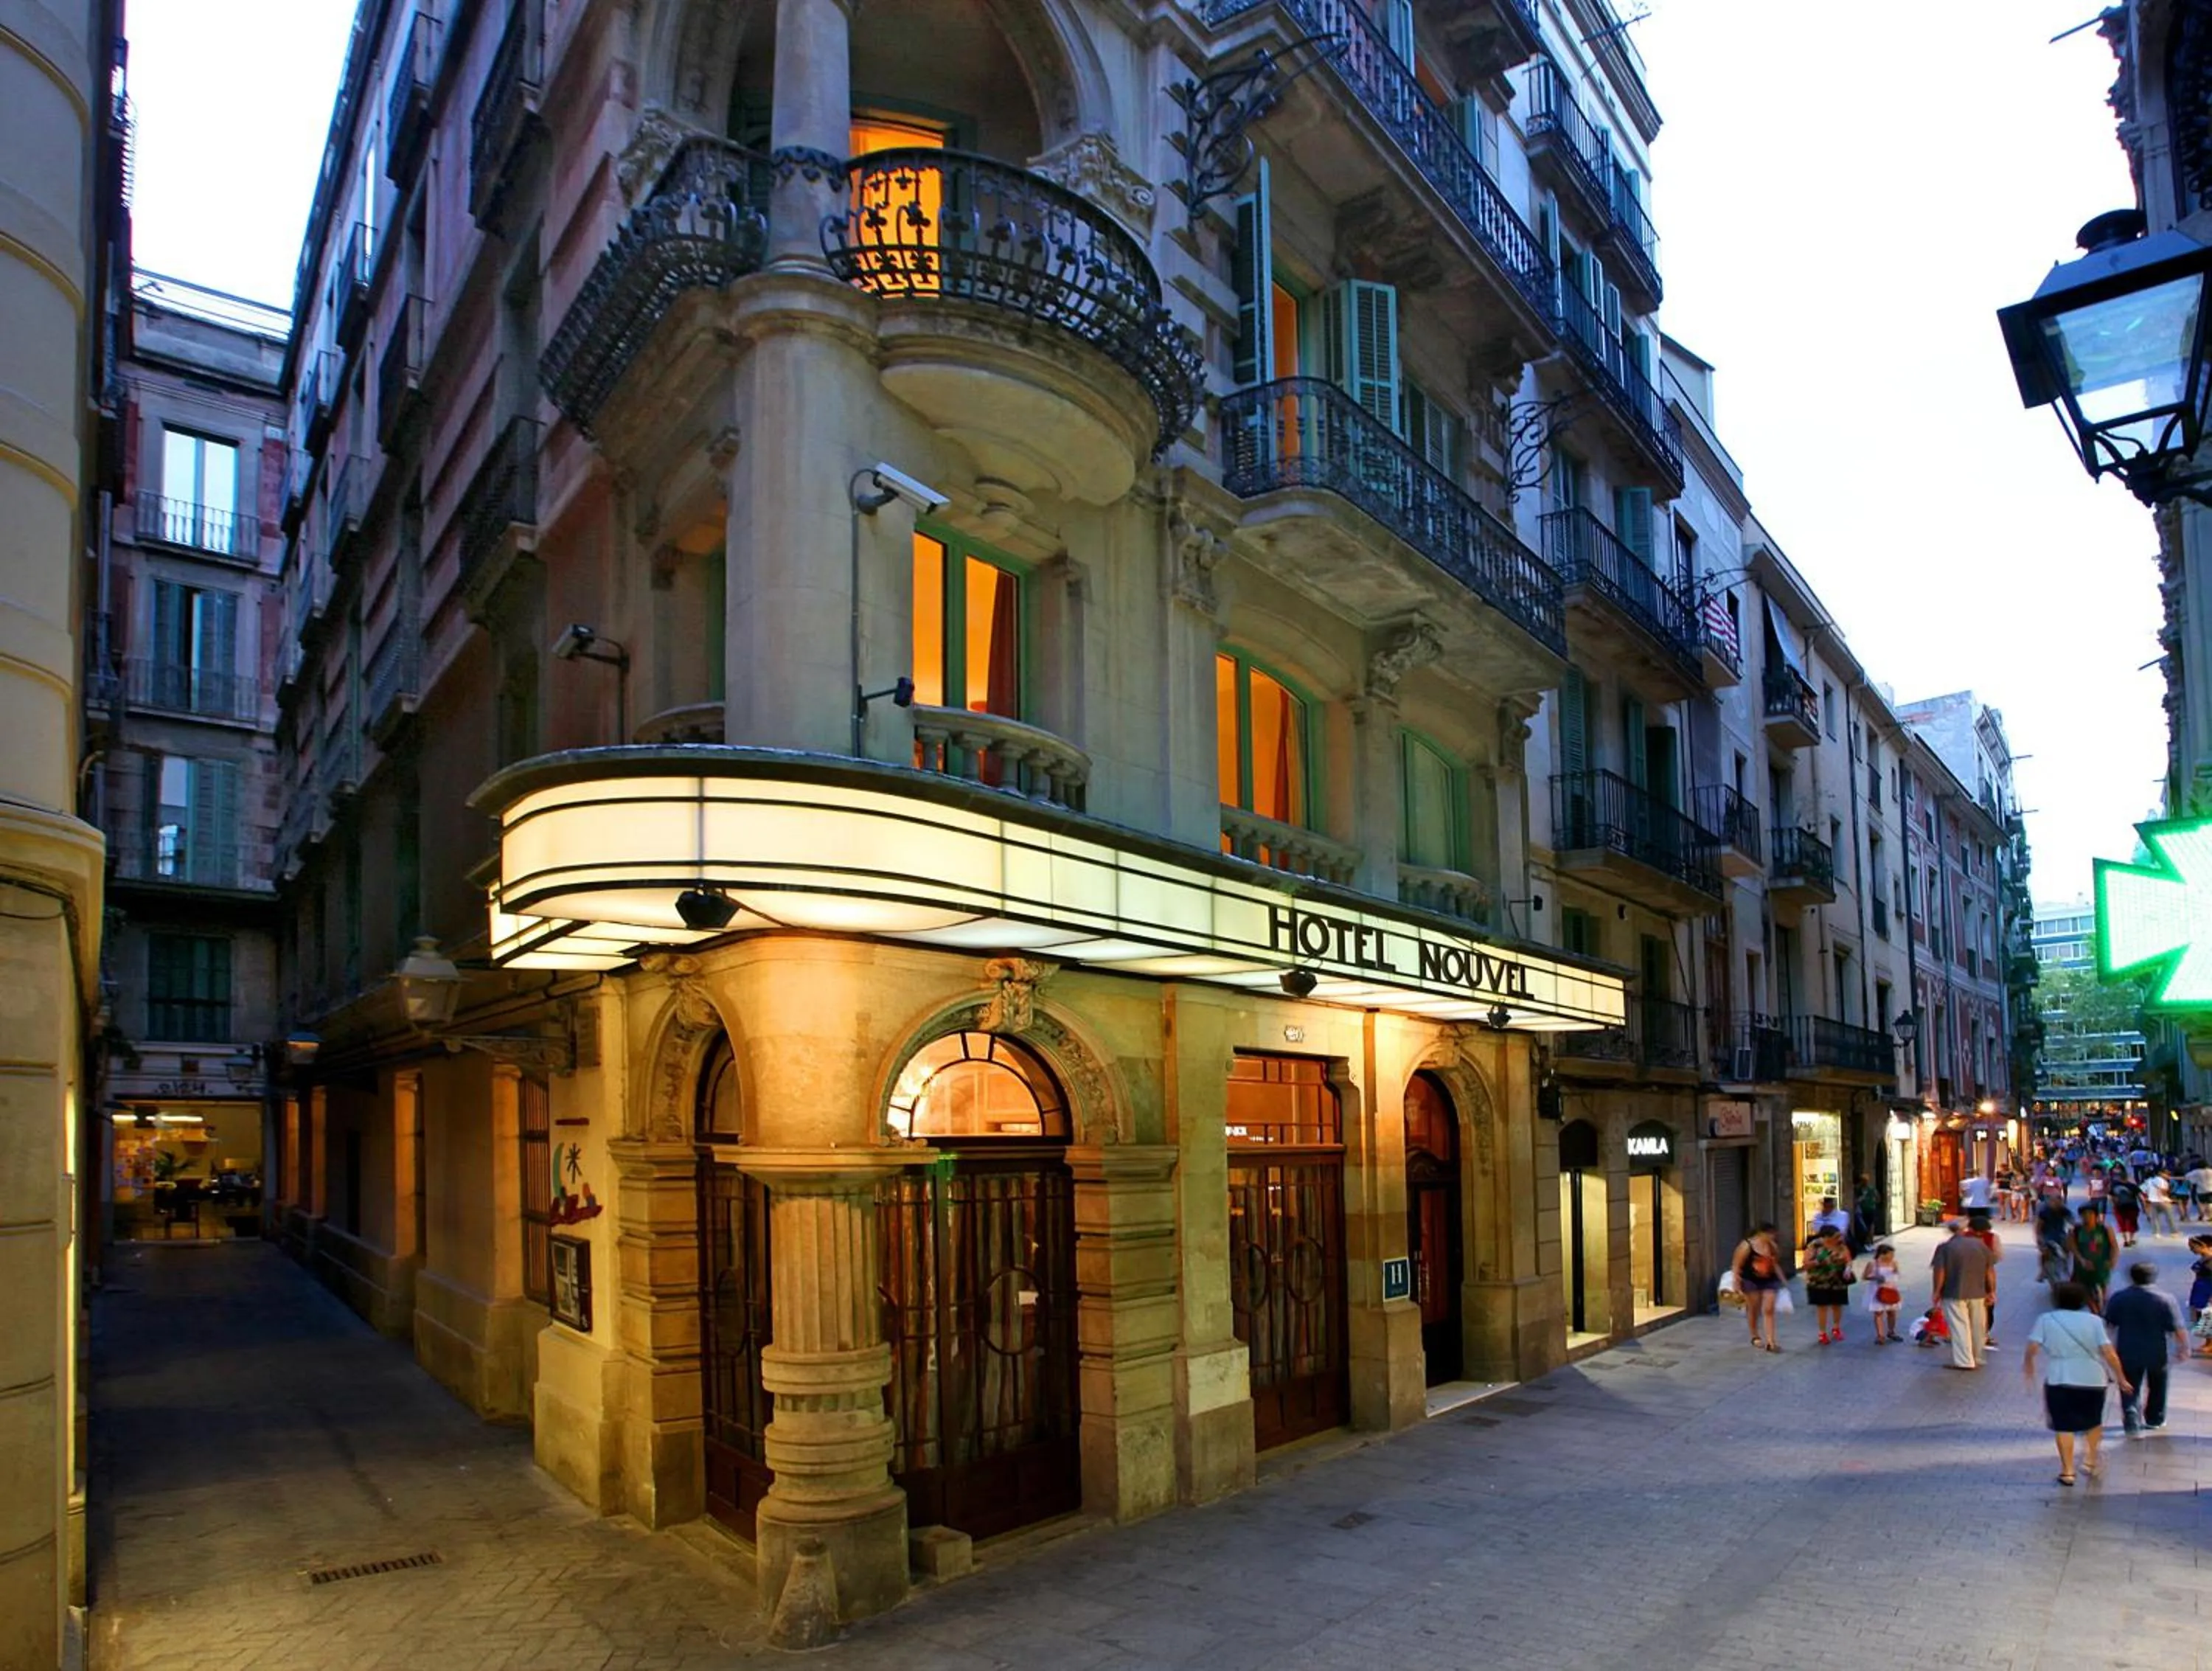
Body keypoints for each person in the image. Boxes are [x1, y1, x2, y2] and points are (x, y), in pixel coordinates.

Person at [2024, 1282, 2130, 1487]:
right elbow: (2108, 1352)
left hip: (2060, 1377)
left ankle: (2067, 1471)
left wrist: (2029, 1367)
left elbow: (2033, 1347)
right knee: (2093, 1421)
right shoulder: (2094, 1321)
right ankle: (2090, 1460)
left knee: (2063, 1426)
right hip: (2093, 1379)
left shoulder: (2046, 1319)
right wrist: (2121, 1377)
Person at [2104, 1262, 2191, 1434]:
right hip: (2157, 1351)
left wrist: (2107, 1350)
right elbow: (2178, 1328)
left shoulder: (2119, 1297)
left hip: (2128, 1350)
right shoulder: (2166, 1299)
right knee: (2158, 1385)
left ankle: (2130, 1412)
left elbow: (2109, 1326)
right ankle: (2155, 1418)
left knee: (2129, 1384)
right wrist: (2184, 1347)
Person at [1929, 1219, 1994, 1370]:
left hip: (1953, 1291)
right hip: (1978, 1292)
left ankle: (1964, 1360)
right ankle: (1977, 1356)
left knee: (1959, 1326)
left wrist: (1937, 1291)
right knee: (1978, 1325)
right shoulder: (1980, 1245)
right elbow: (1990, 1271)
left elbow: (1940, 1272)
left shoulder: (1945, 1248)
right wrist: (1991, 1291)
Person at [1731, 1223, 1787, 1353]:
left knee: (1769, 1309)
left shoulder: (1772, 1246)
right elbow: (1736, 1264)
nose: (1773, 1236)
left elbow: (1775, 1263)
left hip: (1769, 1279)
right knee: (1754, 1308)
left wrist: (1782, 1279)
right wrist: (1736, 1280)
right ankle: (1755, 1335)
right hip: (1751, 1280)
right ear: (1761, 1233)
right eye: (1770, 1234)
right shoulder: (1747, 1245)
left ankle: (1771, 1341)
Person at [1805, 1223, 1854, 1344]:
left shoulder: (1841, 1245)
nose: (1839, 1239)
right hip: (1819, 1281)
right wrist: (1818, 1261)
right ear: (1826, 1237)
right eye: (1836, 1236)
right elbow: (1806, 1264)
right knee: (1822, 1307)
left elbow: (1848, 1259)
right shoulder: (1815, 1245)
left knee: (1837, 1304)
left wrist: (1848, 1269)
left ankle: (1836, 1328)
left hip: (1838, 1280)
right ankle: (1822, 1332)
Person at [1965, 1210, 2005, 1349]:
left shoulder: (1963, 1237)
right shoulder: (1992, 1238)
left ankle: (1973, 1333)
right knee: (1987, 1307)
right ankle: (1983, 1334)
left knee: (1970, 1306)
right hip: (1982, 1276)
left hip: (1967, 1277)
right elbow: (1997, 1258)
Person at [2073, 1201, 2118, 1314]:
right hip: (2083, 1266)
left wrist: (2113, 1260)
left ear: (2096, 1215)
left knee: (2103, 1287)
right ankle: (2095, 1312)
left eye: (2090, 1214)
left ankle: (2103, 1305)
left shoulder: (2105, 1229)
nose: (2087, 1217)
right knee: (2084, 1288)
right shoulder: (2077, 1230)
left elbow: (2114, 1247)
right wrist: (2082, 1260)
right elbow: (2073, 1248)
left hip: (2102, 1264)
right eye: (2084, 1214)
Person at [1864, 1243, 1904, 1344]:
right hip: (1878, 1289)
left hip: (1891, 1288)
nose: (1892, 1257)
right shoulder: (1873, 1264)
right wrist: (1875, 1278)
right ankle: (1880, 1335)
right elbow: (1865, 1276)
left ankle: (1891, 1331)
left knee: (1892, 1312)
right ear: (1883, 1254)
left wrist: (1896, 1272)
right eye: (1890, 1254)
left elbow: (1897, 1275)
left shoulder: (1894, 1263)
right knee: (1879, 1313)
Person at [2036, 1192, 2075, 1286]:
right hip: (2047, 1235)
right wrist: (2039, 1238)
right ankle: (2043, 1270)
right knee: (2045, 1252)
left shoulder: (2064, 1211)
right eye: (2053, 1201)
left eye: (2058, 1201)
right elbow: (2038, 1227)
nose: (2055, 1204)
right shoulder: (2044, 1212)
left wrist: (2072, 1231)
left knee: (2068, 1247)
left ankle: (2066, 1266)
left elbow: (2071, 1222)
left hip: (2060, 1234)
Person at [2107, 1168, 2142, 1247]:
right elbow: (2141, 1197)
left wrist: (2113, 1205)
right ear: (2128, 1177)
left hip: (2119, 1207)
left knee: (2121, 1223)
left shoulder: (2114, 1185)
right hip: (2132, 1207)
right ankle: (2130, 1239)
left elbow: (2109, 1197)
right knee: (2131, 1223)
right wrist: (2144, 1207)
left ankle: (2125, 1240)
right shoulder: (2133, 1186)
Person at [2141, 1168, 2180, 1239]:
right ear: (2161, 1173)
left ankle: (2156, 1233)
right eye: (2166, 1174)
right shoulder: (2163, 1182)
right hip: (2164, 1202)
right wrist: (2170, 1199)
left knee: (2155, 1219)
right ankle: (2174, 1232)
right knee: (2170, 1217)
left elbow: (2143, 1190)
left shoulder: (2149, 1181)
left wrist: (2147, 1198)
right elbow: (2163, 1191)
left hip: (2153, 1202)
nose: (2168, 1175)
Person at [1853, 1173, 1881, 1254]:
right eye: (1864, 1181)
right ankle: (1866, 1243)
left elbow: (1878, 1197)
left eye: (1866, 1181)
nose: (1865, 1182)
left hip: (1869, 1210)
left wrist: (1873, 1203)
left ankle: (1869, 1243)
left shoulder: (1870, 1189)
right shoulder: (1858, 1189)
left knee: (1869, 1227)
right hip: (1862, 1211)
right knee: (1865, 1227)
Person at [2187, 1157, 2212, 1223]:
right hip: (2210, 1189)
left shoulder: (2197, 1172)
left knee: (2201, 1204)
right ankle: (2210, 1216)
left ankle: (2202, 1216)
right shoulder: (2210, 1171)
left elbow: (2187, 1176)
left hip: (2201, 1190)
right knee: (2210, 1203)